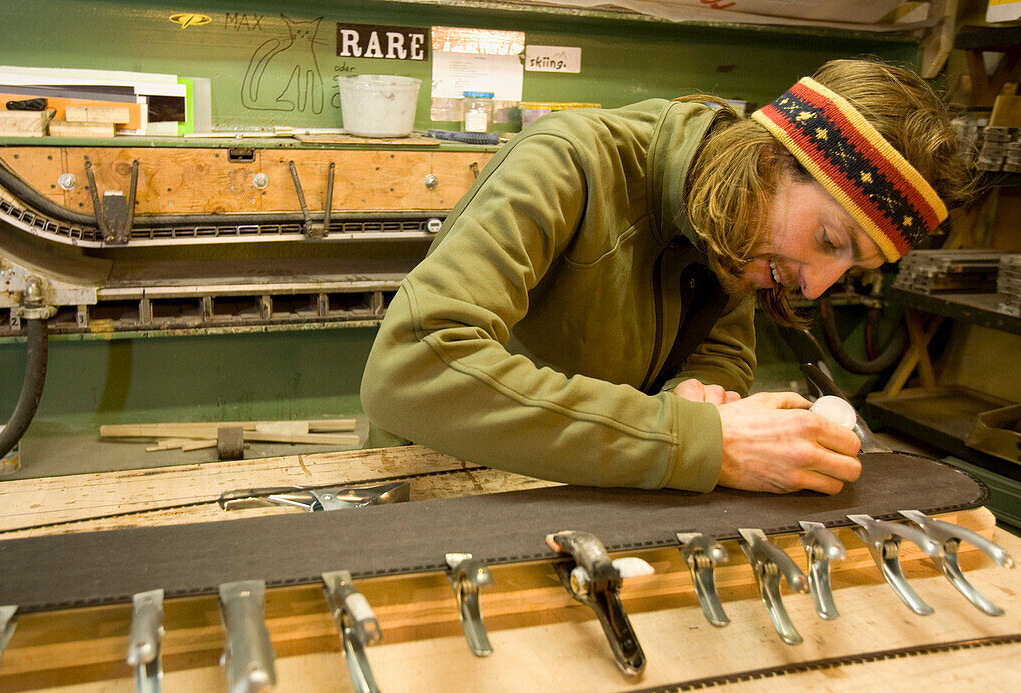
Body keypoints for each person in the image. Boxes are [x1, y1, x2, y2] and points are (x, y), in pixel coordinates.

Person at [360, 59, 970, 496]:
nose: (815, 287)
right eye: (830, 241)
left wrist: (700, 391)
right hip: (441, 476)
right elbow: (415, 369)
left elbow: (722, 349)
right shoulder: (570, 160)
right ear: (769, 158)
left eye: (851, 268)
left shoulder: (743, 221)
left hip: (589, 484)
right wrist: (701, 442)